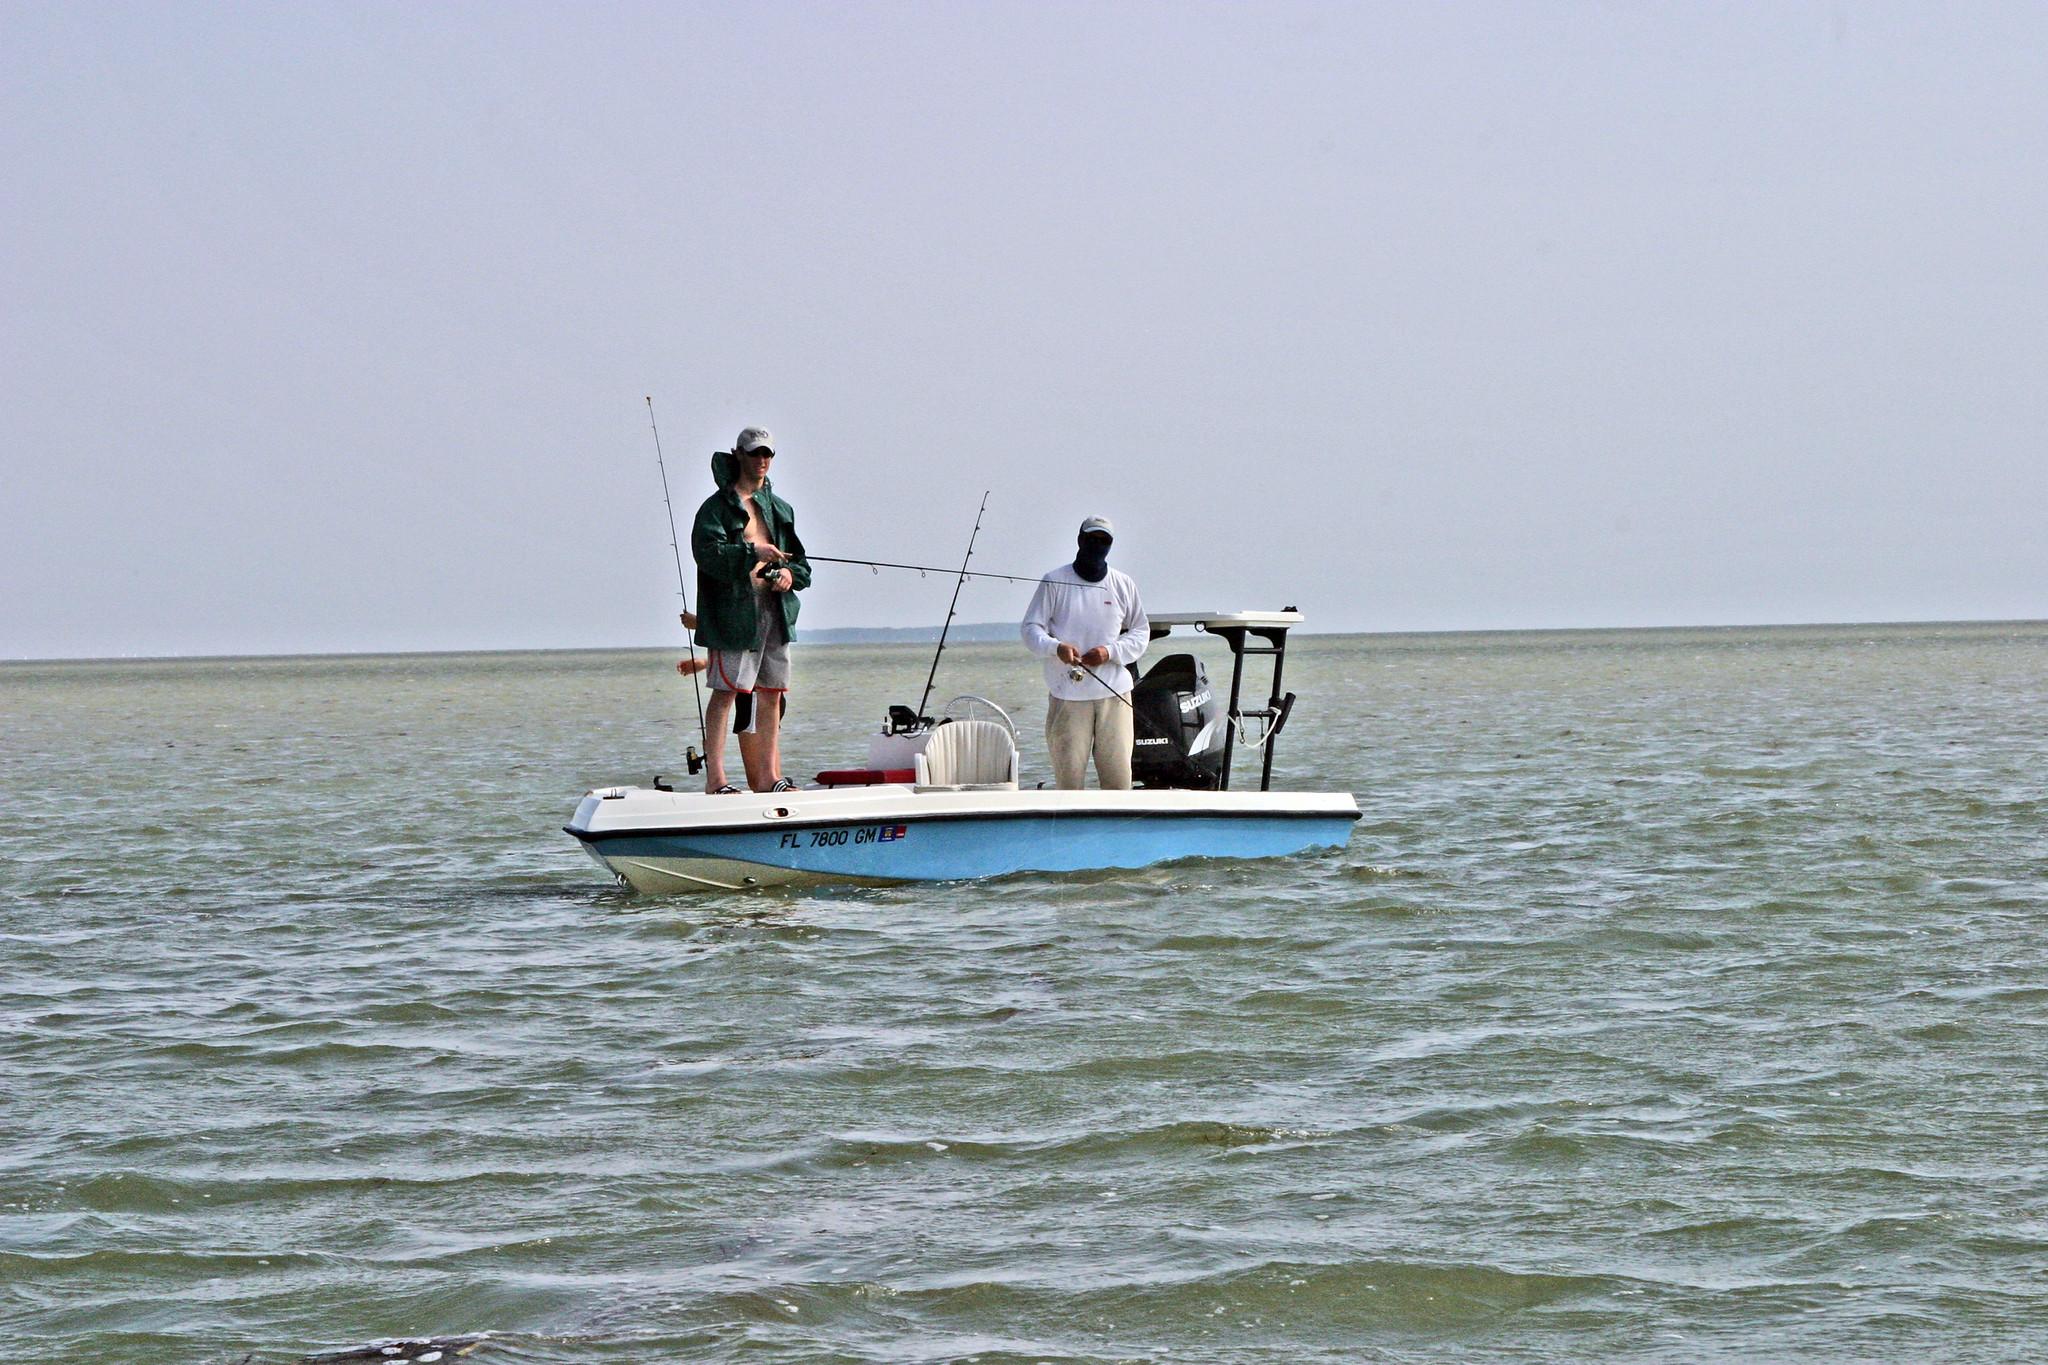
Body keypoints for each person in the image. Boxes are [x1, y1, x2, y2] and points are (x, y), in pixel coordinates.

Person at [690, 426, 811, 793]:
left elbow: (803, 566)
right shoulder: (715, 508)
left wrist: (788, 574)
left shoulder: (780, 509)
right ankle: (716, 781)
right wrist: (751, 553)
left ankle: (770, 778)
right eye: (755, 453)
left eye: (768, 454)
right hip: (733, 615)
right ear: (738, 454)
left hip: (775, 612)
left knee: (773, 691)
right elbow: (706, 554)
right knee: (726, 691)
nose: (762, 461)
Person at [1020, 515, 1149, 790]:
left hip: (1114, 695)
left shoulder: (1123, 583)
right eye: (1092, 539)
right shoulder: (1054, 581)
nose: (1097, 545)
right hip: (1068, 695)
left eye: (1104, 541)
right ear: (1080, 539)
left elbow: (1141, 632)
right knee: (1069, 784)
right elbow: (1031, 629)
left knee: (1119, 784)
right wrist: (1057, 648)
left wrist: (1109, 652)